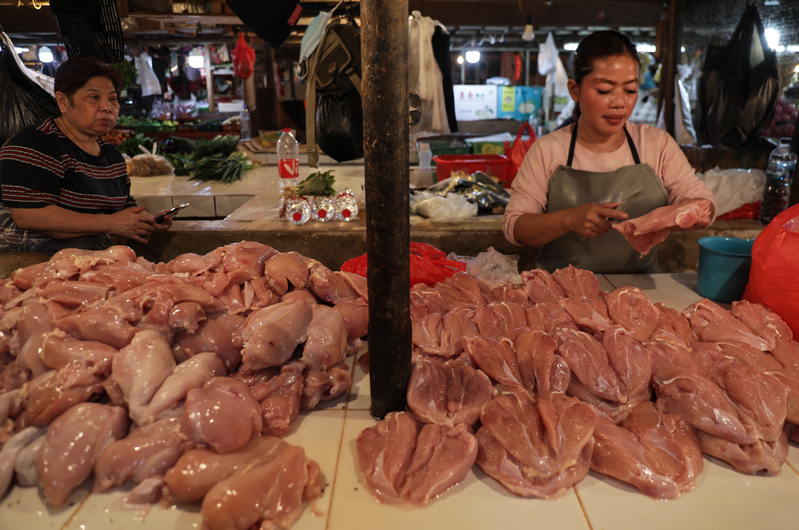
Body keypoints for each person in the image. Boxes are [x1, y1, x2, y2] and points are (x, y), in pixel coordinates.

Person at [503, 30, 717, 274]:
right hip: (560, 295)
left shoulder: (656, 144)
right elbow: (514, 227)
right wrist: (569, 219)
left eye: (630, 90)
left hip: (639, 295)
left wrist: (689, 210)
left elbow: (704, 202)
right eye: (604, 90)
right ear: (574, 89)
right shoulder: (549, 149)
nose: (619, 102)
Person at [0, 55, 173, 255]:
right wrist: (110, 223)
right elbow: (29, 215)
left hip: (91, 266)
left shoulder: (112, 157)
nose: (107, 107)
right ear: (63, 101)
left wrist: (146, 221)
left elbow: (121, 210)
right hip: (27, 266)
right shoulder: (33, 143)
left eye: (113, 98)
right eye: (94, 97)